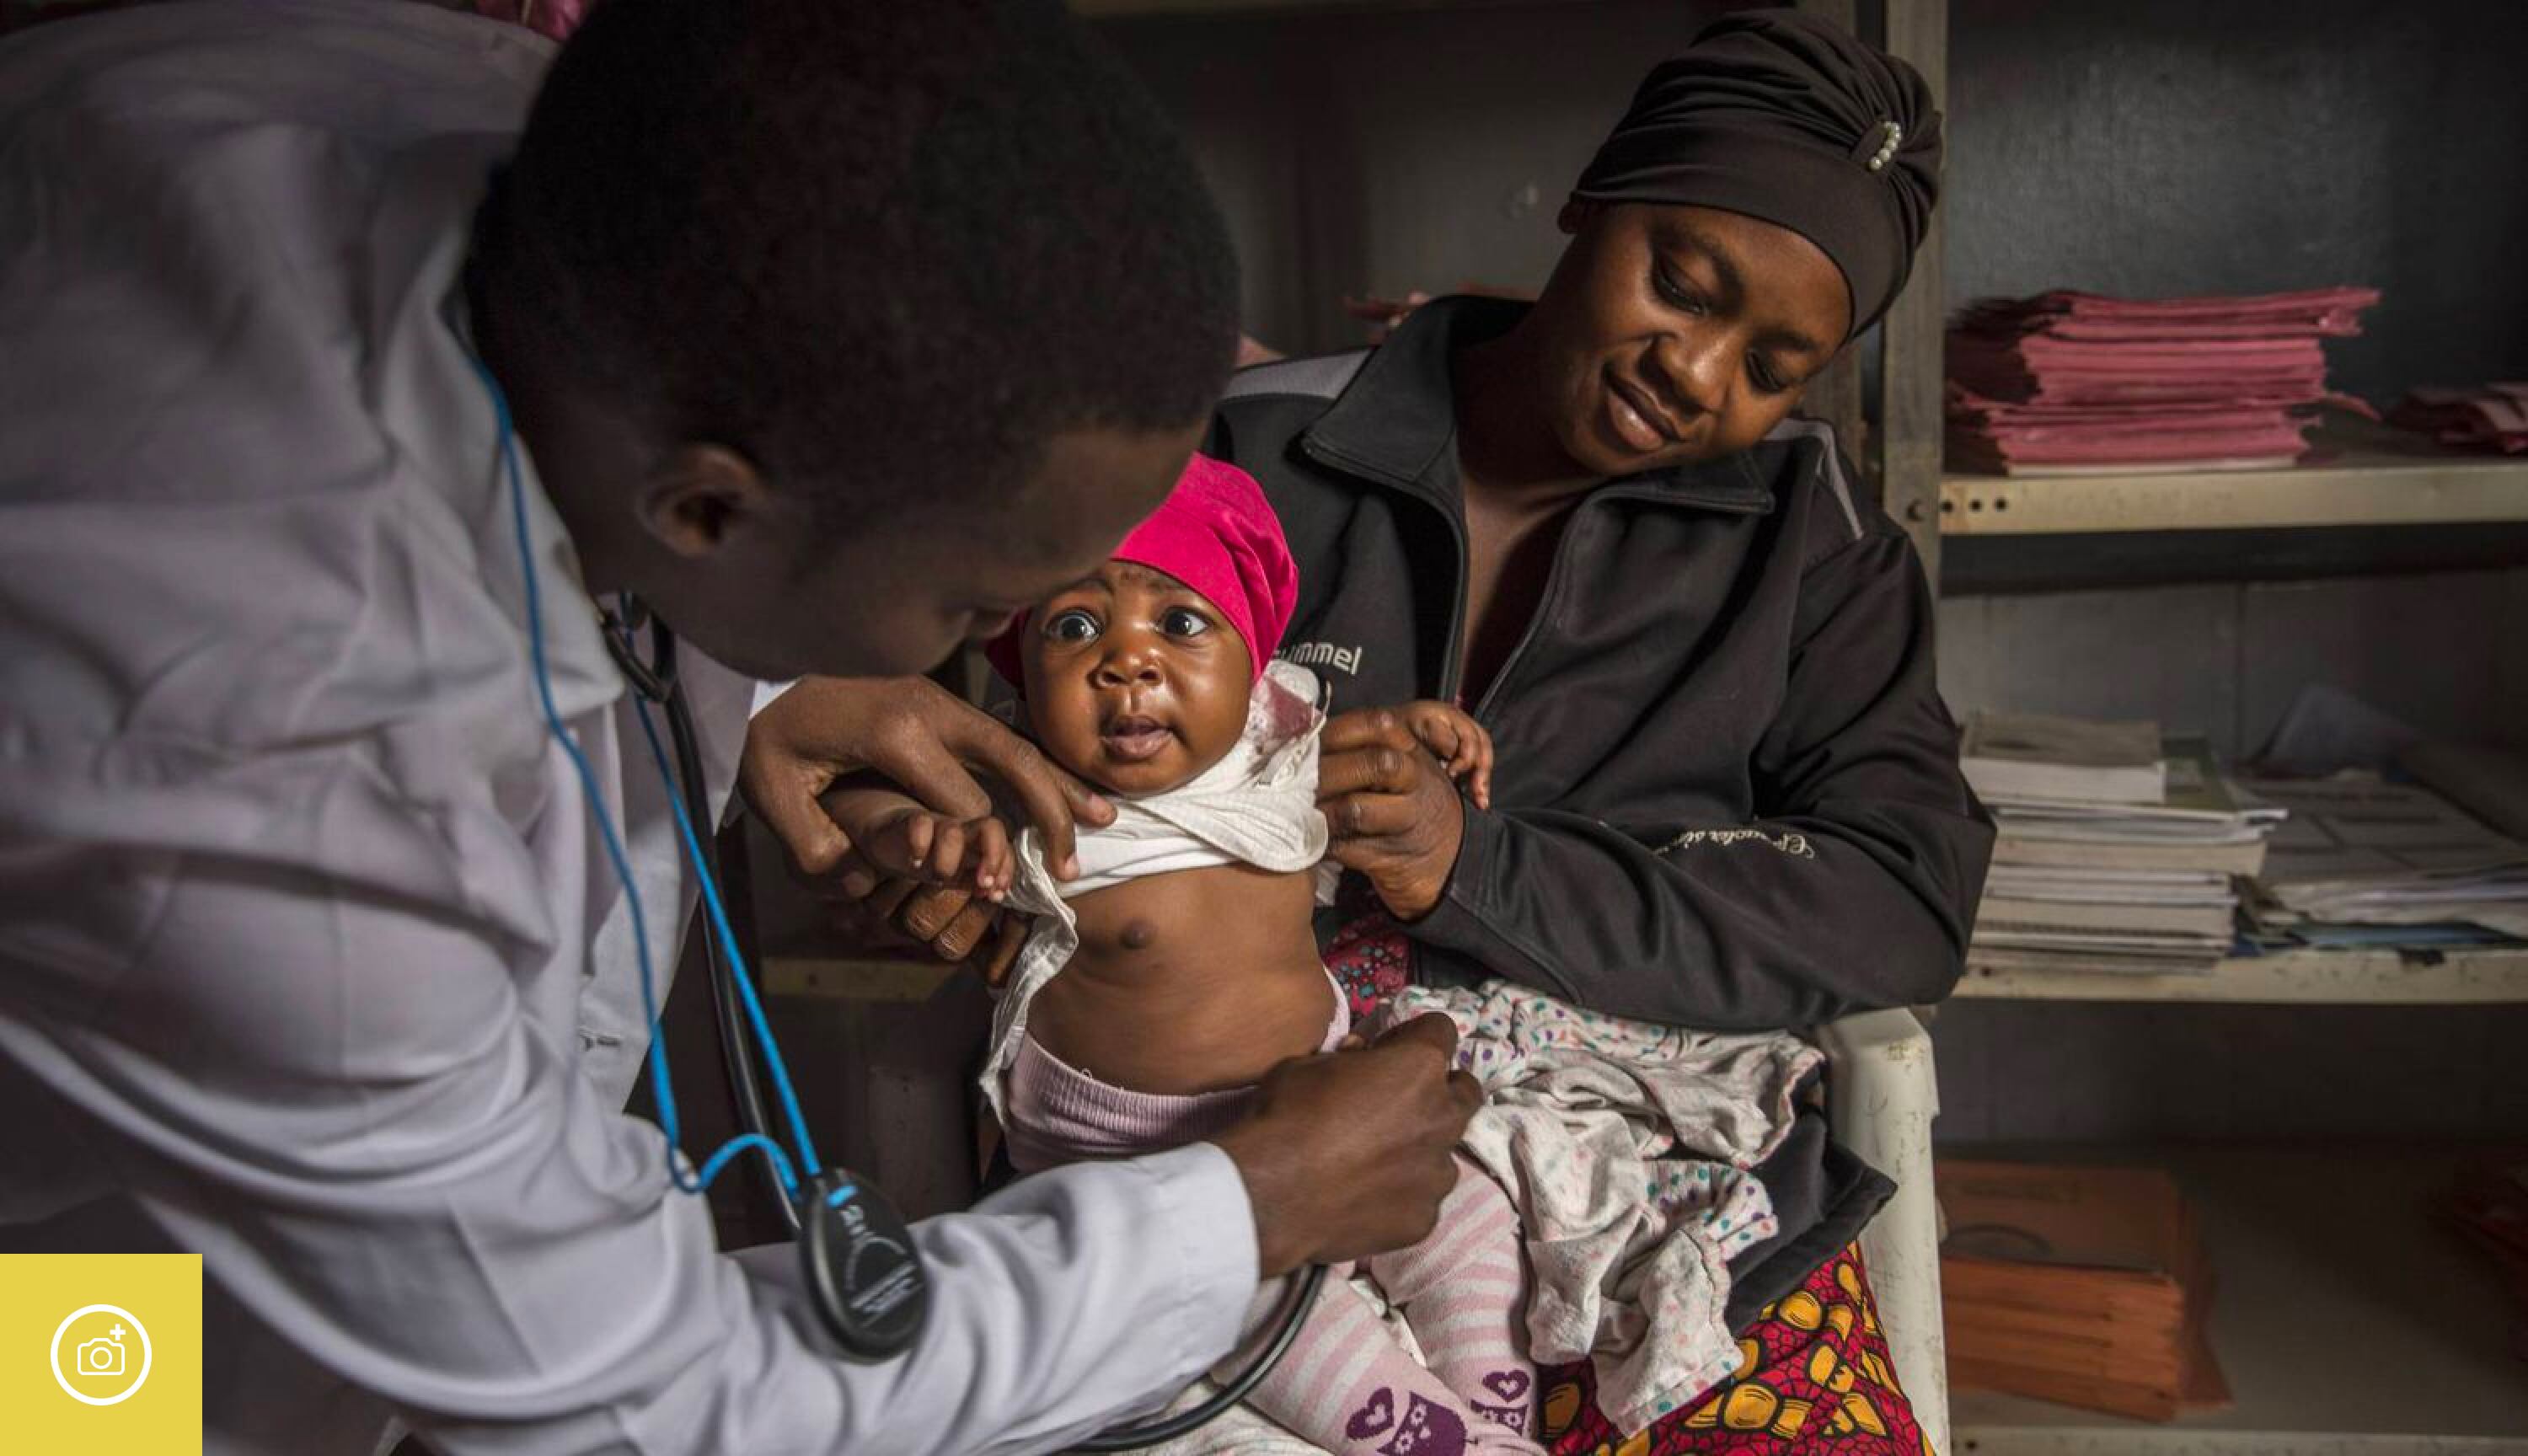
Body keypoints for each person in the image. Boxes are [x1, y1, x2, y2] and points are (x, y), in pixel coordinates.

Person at [0, 3, 1479, 1454]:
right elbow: (640, 1398)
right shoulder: (289, 786)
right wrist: (1243, 1207)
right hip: (89, 1293)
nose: (1038, 654)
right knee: (110, 1404)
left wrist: (760, 672)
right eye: (983, 607)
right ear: (710, 510)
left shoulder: (487, 125)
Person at [832, 13, 1991, 1453]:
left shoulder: (1811, 548)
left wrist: (1482, 869)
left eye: (1773, 365)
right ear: (1591, 200)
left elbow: (1905, 895)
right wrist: (954, 874)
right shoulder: (1243, 455)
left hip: (1634, 1169)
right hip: (1222, 1128)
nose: (1698, 372)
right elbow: (1015, 773)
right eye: (1682, 285)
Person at [826, 455, 1536, 1454]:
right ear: (1022, 678)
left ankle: (1496, 1402)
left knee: (1470, 1219)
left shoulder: (1271, 749)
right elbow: (850, 786)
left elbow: (1350, 753)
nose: (1127, 661)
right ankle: (1446, 1437)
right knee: (1296, 1345)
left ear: (1254, 662)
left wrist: (1411, 731)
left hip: (1332, 1093)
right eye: (1074, 628)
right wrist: (907, 831)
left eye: (1180, 623)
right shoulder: (1031, 801)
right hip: (1155, 1164)